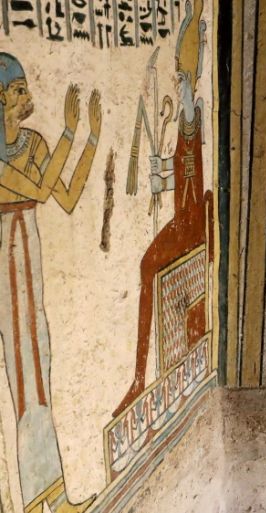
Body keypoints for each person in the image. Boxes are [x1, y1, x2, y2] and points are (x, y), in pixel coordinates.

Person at [0, 52, 101, 513]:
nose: (28, 96)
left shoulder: (34, 143)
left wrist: (91, 138)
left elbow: (67, 195)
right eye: (19, 89)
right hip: (8, 263)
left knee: (38, 371)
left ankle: (53, 498)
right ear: (1, 98)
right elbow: (37, 190)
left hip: (28, 264)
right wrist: (69, 131)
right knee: (26, 380)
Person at [113, 0, 213, 416]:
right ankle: (139, 377)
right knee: (146, 267)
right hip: (183, 219)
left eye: (184, 76)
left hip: (193, 225)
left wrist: (167, 175)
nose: (180, 82)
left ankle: (142, 377)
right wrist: (161, 178)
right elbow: (184, 176)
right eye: (179, 76)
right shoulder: (185, 125)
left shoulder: (196, 118)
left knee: (149, 267)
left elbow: (196, 176)